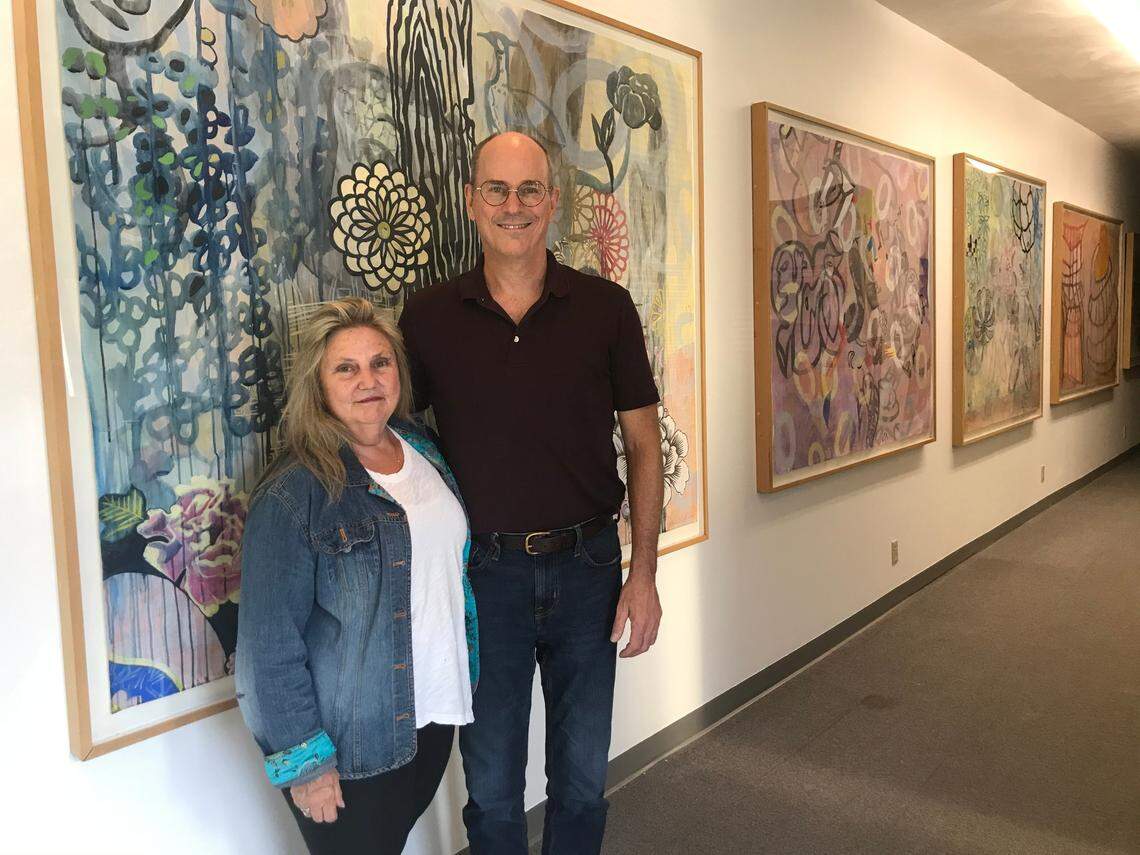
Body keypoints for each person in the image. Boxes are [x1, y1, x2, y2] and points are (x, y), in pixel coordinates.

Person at [399, 131, 665, 854]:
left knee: (581, 781)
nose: (512, 206)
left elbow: (644, 446)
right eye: (497, 189)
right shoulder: (427, 318)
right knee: (491, 789)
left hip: (588, 570)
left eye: (528, 190)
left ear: (552, 201)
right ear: (472, 201)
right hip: (486, 577)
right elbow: (393, 442)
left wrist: (642, 573)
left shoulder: (606, 309)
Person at [235, 298, 479, 855]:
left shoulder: (422, 450)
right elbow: (266, 648)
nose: (367, 380)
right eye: (346, 368)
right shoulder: (295, 493)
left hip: (433, 715)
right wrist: (306, 763)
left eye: (380, 363)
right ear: (318, 385)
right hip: (353, 740)